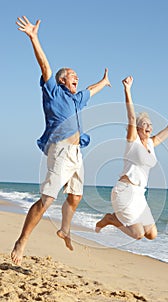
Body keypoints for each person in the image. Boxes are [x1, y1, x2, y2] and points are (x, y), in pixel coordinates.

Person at [11, 16, 111, 265]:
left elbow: (90, 90)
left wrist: (105, 81)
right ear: (62, 80)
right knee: (47, 199)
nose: (76, 77)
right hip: (61, 150)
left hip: (77, 153)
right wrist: (34, 38)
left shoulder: (77, 99)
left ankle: (64, 230)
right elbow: (45, 66)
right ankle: (21, 241)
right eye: (72, 75)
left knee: (76, 197)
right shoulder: (53, 91)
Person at [95, 76, 168, 239]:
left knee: (151, 234)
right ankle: (110, 219)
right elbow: (130, 117)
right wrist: (127, 90)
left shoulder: (151, 143)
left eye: (150, 124)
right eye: (145, 124)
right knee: (138, 234)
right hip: (125, 191)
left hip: (139, 194)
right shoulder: (133, 141)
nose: (149, 127)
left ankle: (114, 218)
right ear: (137, 128)